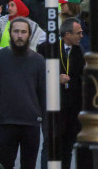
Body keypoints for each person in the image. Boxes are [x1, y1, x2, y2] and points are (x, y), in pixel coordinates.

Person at [0, 17, 45, 169]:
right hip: (5, 122)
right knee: (4, 164)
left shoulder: (39, 61)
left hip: (31, 123)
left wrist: (46, 125)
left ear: (29, 34)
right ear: (10, 33)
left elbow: (43, 94)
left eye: (23, 32)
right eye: (16, 31)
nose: (19, 36)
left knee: (29, 165)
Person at [38, 17, 84, 169]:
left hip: (72, 109)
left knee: (67, 148)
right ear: (67, 34)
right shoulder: (46, 48)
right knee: (50, 145)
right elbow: (38, 75)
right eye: (78, 33)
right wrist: (54, 78)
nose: (81, 36)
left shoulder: (80, 52)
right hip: (53, 106)